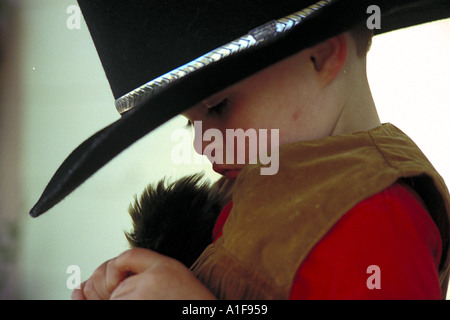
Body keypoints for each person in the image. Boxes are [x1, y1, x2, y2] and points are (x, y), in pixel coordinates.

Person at [71, 20, 449, 299]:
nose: (203, 146)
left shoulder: (377, 219)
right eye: (191, 126)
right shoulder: (252, 189)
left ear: (320, 55)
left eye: (219, 106)